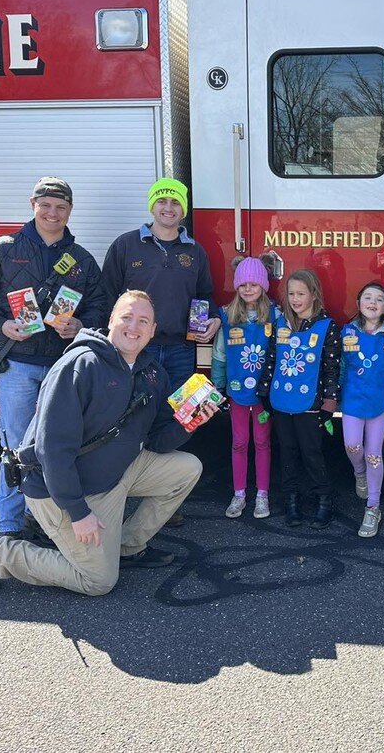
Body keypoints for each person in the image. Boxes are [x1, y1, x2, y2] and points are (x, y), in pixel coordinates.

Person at [0, 291, 217, 596]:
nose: (133, 326)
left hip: (114, 474)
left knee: (187, 468)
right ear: (111, 320)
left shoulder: (152, 373)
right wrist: (78, 513)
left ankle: (126, 546)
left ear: (152, 330)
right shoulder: (80, 366)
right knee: (98, 581)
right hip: (63, 489)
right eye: (126, 317)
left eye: (143, 321)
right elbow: (52, 451)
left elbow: (158, 443)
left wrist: (188, 423)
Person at [0, 176, 105, 540]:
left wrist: (79, 325)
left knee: (56, 448)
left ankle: (43, 522)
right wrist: (2, 323)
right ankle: (9, 526)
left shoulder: (82, 260)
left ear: (70, 211)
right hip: (19, 366)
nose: (53, 213)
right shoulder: (2, 250)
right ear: (33, 205)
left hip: (63, 368)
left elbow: (102, 308)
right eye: (46, 205)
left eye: (61, 207)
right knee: (14, 450)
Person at [101, 177, 219, 527]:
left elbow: (205, 295)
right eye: (162, 201)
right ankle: (116, 491)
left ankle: (167, 493)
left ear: (184, 209)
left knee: (179, 418)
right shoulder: (126, 246)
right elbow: (107, 298)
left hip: (181, 350)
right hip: (140, 349)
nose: (168, 208)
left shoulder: (194, 251)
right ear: (151, 205)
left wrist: (211, 319)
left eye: (176, 203)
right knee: (130, 417)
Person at [256, 269, 341, 530]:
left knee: (311, 453)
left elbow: (331, 368)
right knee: (288, 453)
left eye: (301, 294)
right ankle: (291, 502)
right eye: (291, 293)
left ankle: (323, 501)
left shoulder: (327, 326)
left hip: (311, 405)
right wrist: (265, 392)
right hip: (281, 401)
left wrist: (329, 402)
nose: (295, 299)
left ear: (314, 296)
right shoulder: (281, 324)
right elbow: (272, 360)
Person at [339, 282, 384, 538]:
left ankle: (373, 507)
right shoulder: (347, 333)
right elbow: (342, 369)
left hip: (381, 406)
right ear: (358, 304)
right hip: (353, 403)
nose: (372, 302)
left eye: (379, 299)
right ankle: (360, 474)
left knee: (374, 455)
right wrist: (333, 396)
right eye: (367, 297)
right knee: (352, 446)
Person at [211, 255, 277, 519]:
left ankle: (262, 495)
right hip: (237, 390)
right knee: (239, 442)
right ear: (236, 286)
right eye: (243, 284)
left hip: (264, 393)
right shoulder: (227, 316)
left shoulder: (276, 314)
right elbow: (219, 355)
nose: (248, 289)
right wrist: (217, 385)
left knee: (262, 441)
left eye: (254, 283)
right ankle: (239, 494)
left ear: (263, 286)